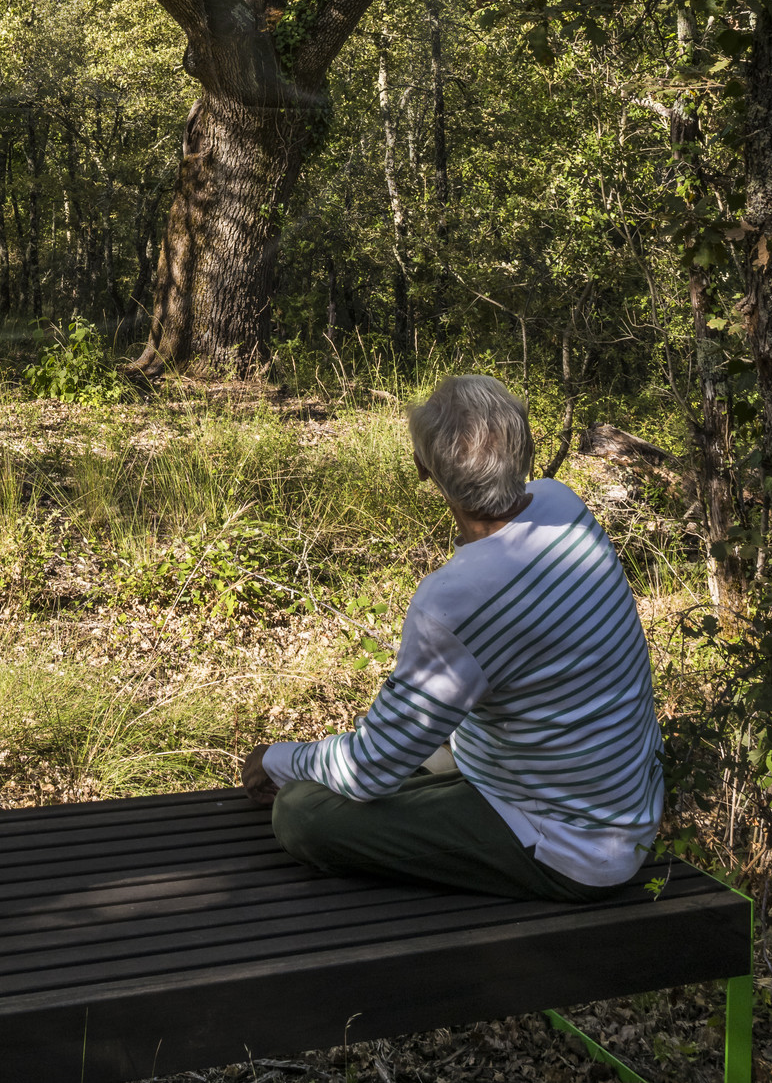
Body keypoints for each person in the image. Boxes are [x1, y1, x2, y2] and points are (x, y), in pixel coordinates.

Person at [241, 374, 663, 902]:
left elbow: (369, 771)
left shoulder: (454, 601)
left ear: (424, 469)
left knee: (302, 811)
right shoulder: (563, 504)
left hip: (570, 848)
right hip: (623, 804)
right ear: (525, 450)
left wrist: (274, 758)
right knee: (386, 757)